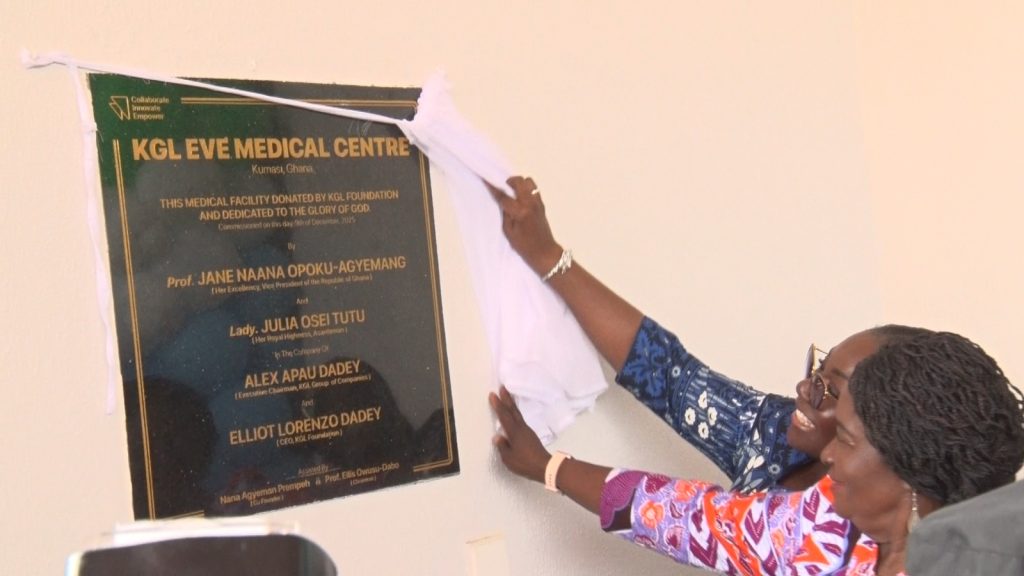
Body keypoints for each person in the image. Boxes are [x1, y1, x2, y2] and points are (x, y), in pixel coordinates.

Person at [491, 176, 928, 492]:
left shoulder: (868, 537)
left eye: (829, 390)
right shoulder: (775, 435)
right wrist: (547, 255)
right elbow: (666, 373)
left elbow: (689, 522)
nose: (803, 389)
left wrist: (551, 470)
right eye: (817, 371)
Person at [491, 330, 1024, 575]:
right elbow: (687, 517)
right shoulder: (822, 529)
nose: (829, 458)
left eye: (845, 439)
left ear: (910, 467)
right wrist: (549, 468)